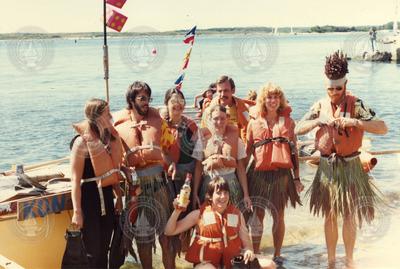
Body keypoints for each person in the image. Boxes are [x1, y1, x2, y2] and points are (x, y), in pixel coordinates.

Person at [295, 51, 388, 267]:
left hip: (350, 166)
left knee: (348, 215)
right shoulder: (319, 105)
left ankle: (349, 259)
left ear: (345, 84)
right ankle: (330, 260)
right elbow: (298, 128)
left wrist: (356, 123)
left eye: (338, 88)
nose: (335, 92)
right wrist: (318, 121)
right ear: (325, 86)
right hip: (327, 168)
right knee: (329, 215)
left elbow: (382, 128)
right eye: (330, 88)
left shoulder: (356, 104)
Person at [113, 81, 175, 269]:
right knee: (143, 239)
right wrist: (124, 175)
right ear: (131, 101)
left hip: (159, 185)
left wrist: (171, 164)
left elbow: (168, 149)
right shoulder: (118, 127)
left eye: (148, 98)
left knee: (166, 238)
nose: (146, 102)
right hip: (136, 190)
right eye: (141, 98)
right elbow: (116, 161)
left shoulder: (159, 122)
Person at [245, 84, 304, 266]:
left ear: (280, 100)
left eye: (276, 97)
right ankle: (255, 253)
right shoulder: (253, 123)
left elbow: (294, 153)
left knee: (279, 215)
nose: (272, 101)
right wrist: (241, 181)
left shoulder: (289, 123)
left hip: (281, 176)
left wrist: (296, 178)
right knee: (258, 215)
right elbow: (246, 154)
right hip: (259, 176)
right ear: (263, 100)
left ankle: (277, 254)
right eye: (269, 97)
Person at [164, 177, 271, 269]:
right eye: (218, 193)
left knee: (269, 264)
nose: (223, 197)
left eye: (225, 193)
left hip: (232, 263)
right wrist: (177, 211)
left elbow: (247, 244)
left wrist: (248, 251)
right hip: (206, 264)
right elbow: (169, 231)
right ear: (209, 196)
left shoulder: (237, 214)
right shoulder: (198, 214)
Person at [70, 98, 123, 268]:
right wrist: (77, 212)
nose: (111, 116)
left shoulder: (107, 140)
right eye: (107, 114)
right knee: (91, 251)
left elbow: (112, 171)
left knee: (105, 249)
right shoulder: (81, 143)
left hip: (106, 199)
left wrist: (119, 197)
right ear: (97, 117)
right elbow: (75, 180)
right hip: (89, 200)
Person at [192, 104, 252, 211]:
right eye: (215, 118)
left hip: (231, 185)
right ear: (209, 119)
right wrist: (195, 193)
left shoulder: (236, 140)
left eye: (222, 118)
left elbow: (241, 168)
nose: (219, 122)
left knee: (232, 221)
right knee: (210, 220)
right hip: (209, 184)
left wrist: (246, 194)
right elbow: (198, 168)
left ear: (228, 119)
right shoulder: (202, 140)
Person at [201, 76, 252, 141]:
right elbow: (204, 131)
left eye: (226, 91)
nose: (222, 94)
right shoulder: (209, 110)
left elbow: (249, 127)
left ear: (233, 90)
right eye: (220, 91)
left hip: (238, 145)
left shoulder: (242, 107)